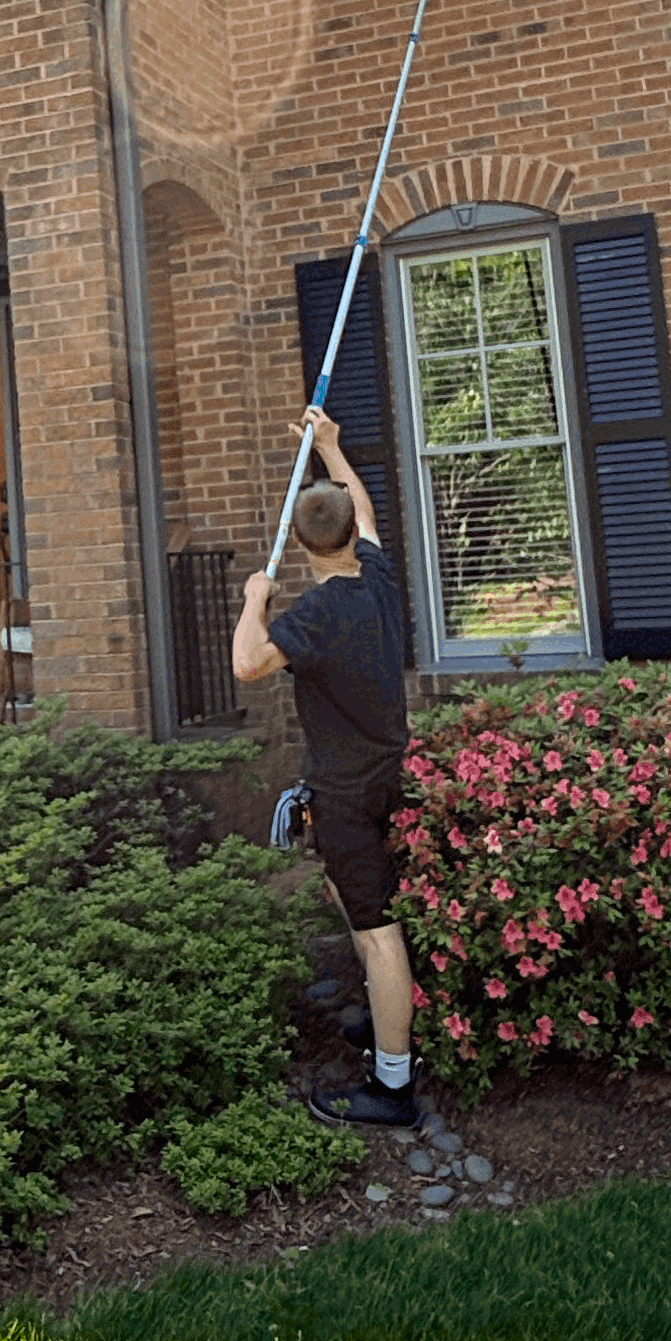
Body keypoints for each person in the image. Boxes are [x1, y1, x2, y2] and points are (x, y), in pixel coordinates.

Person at [231, 405, 419, 1131]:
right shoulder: (376, 577)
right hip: (380, 775)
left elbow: (249, 662)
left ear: (305, 546)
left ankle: (393, 1086)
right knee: (356, 904)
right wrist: (334, 448)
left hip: (344, 793)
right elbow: (364, 509)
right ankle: (385, 1015)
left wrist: (254, 600)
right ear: (345, 533)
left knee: (377, 932)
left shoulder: (313, 614)